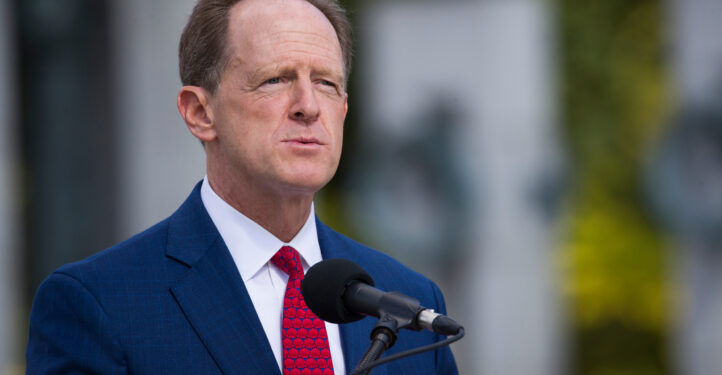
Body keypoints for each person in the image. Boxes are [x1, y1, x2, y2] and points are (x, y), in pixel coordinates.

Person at [26, 0, 459, 374]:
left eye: (326, 83)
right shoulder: (98, 304)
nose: (308, 106)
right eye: (275, 79)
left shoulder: (410, 303)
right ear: (199, 112)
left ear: (344, 109)